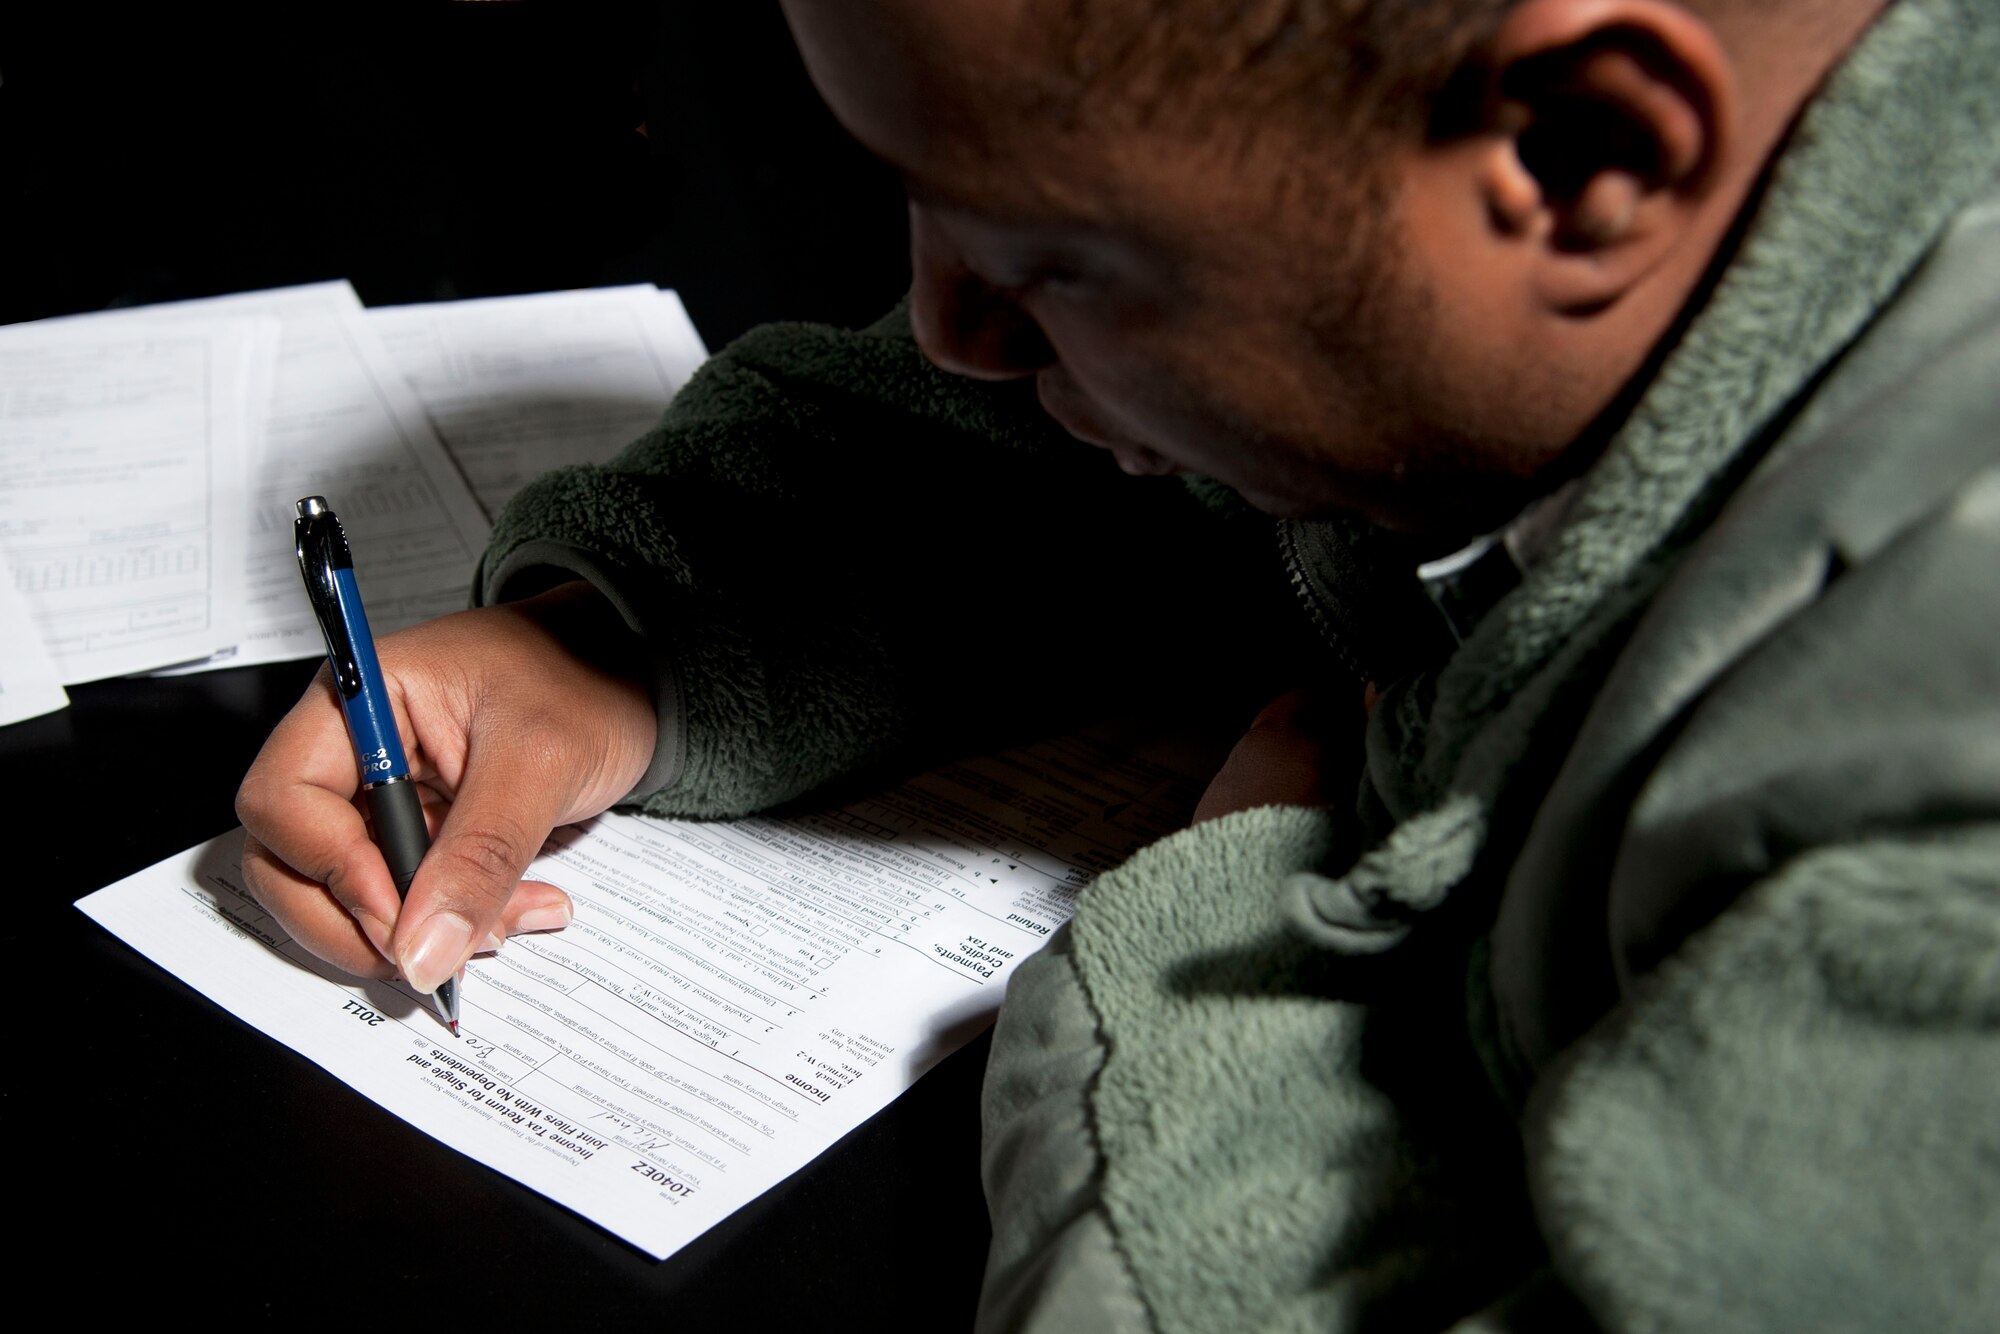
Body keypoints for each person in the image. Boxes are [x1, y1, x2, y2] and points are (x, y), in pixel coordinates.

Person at [237, 0, 2000, 1327]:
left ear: (1579, 155)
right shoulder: (1546, 238)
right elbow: (1026, 456)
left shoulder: (1940, 816)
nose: (950, 328)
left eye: (1054, 260)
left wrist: (1235, 932)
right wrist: (624, 637)